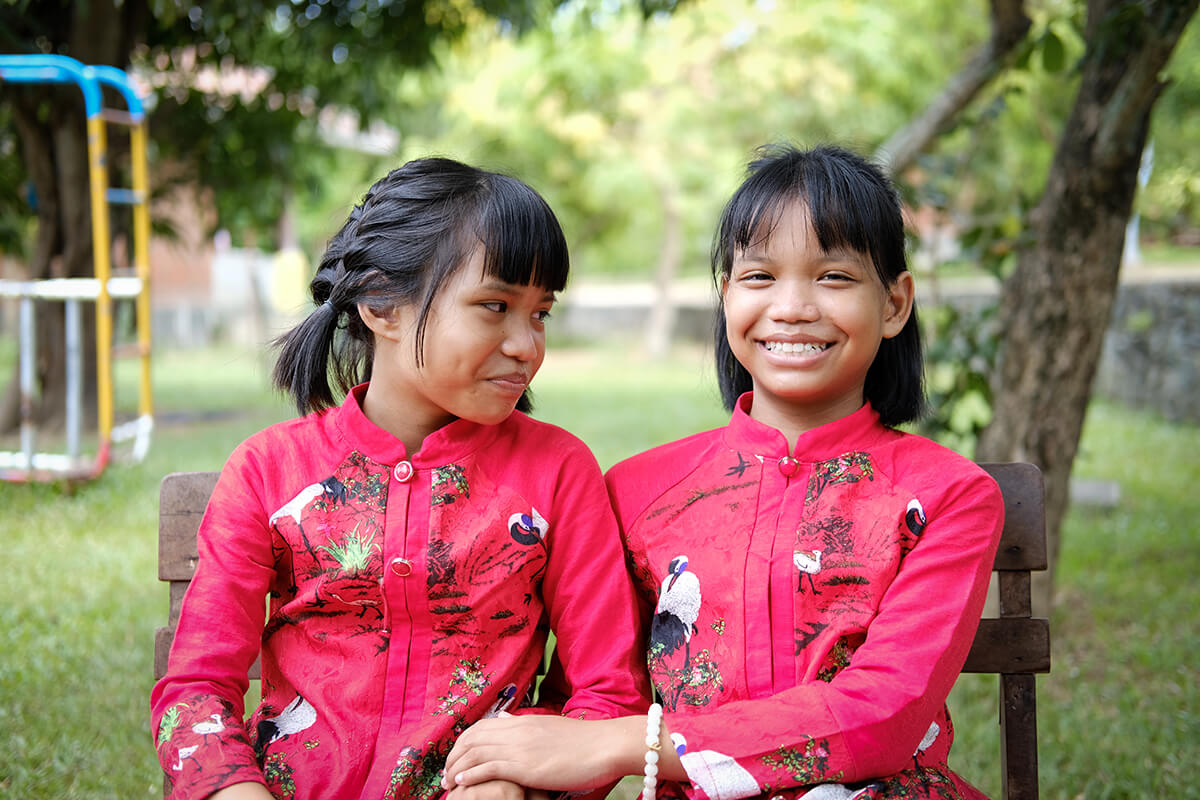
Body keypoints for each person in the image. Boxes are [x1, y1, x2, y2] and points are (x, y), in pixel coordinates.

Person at [441, 144, 1005, 800]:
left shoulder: (949, 496)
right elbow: (586, 702)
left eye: (834, 277)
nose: (792, 307)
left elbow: (886, 713)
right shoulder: (636, 494)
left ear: (895, 303)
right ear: (726, 295)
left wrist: (633, 743)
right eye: (760, 276)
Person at [150, 157, 650, 800]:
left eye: (540, 313)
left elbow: (607, 691)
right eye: (494, 306)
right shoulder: (269, 471)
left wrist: (523, 783)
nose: (527, 344)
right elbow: (195, 690)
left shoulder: (557, 473)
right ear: (381, 305)